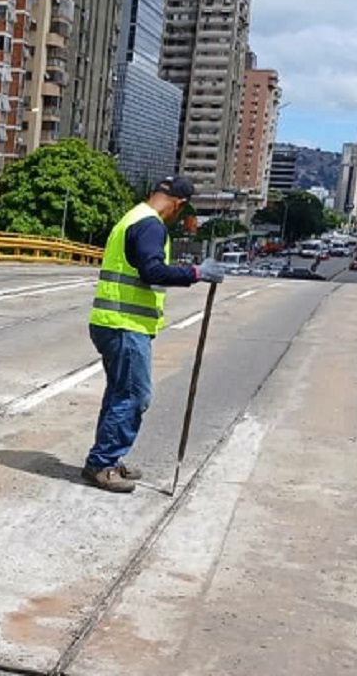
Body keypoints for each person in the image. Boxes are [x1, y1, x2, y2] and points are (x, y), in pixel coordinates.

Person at [83, 175, 224, 493]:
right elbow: (152, 271)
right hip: (124, 325)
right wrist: (196, 273)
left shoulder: (133, 217)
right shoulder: (151, 226)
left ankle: (104, 459)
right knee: (135, 396)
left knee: (120, 394)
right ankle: (103, 464)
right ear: (179, 204)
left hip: (111, 321)